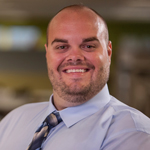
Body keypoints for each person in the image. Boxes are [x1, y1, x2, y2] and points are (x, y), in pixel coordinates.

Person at [0, 4, 150, 150]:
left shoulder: (134, 133)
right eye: (61, 47)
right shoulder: (14, 120)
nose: (75, 57)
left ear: (108, 53)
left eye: (89, 46)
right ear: (47, 54)